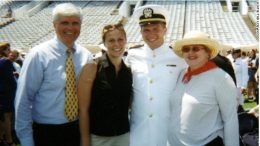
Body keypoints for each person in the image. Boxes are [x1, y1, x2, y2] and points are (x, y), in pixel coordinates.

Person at [14, 3, 92, 146]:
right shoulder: (38, 55)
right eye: (64, 23)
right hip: (46, 133)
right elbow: (23, 99)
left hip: (76, 129)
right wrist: (26, 140)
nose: (70, 28)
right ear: (54, 25)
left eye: (75, 23)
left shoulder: (86, 56)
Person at [125, 5, 186, 146]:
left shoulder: (178, 58)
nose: (150, 33)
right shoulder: (133, 55)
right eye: (146, 30)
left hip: (167, 130)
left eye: (155, 29)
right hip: (139, 129)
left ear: (165, 29)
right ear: (140, 31)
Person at [168, 31, 239, 146]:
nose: (190, 52)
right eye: (186, 49)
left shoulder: (221, 78)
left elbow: (230, 120)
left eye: (196, 48)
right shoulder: (182, 74)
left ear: (208, 52)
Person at [78, 23, 132, 146]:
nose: (116, 44)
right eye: (111, 40)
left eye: (120, 40)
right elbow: (83, 110)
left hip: (124, 136)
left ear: (125, 41)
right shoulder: (92, 67)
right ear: (104, 43)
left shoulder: (129, 71)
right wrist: (85, 141)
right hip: (98, 138)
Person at [0, 42, 16, 146]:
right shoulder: (6, 61)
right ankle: (9, 141)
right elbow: (10, 80)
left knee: (1, 118)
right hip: (7, 93)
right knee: (7, 118)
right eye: (7, 49)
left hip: (1, 92)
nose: (9, 51)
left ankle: (1, 138)